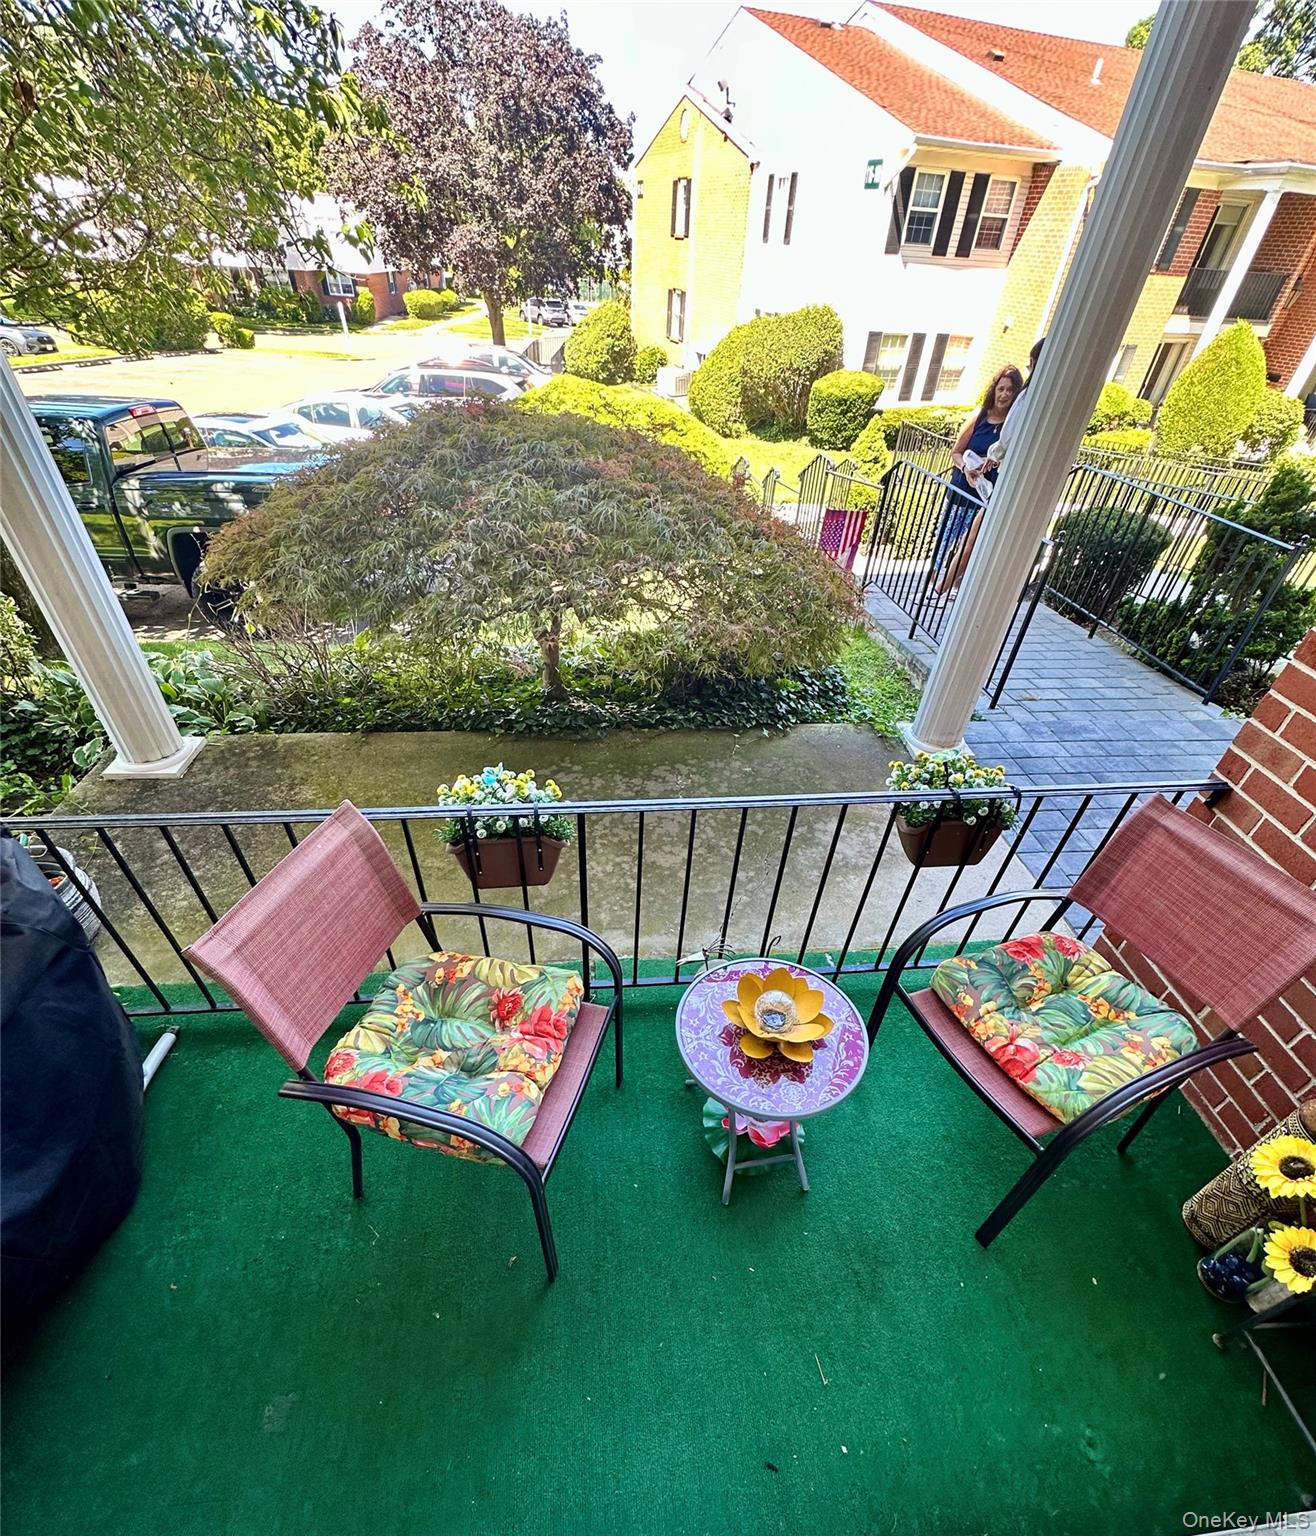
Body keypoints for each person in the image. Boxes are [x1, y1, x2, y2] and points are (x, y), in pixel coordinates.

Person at [933, 364, 1024, 596]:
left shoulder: (1014, 426)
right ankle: (932, 583)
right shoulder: (980, 416)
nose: (1004, 394)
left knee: (971, 544)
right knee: (946, 538)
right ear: (994, 390)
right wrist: (966, 467)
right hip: (962, 489)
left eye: (1010, 390)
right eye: (1001, 389)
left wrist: (993, 461)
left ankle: (954, 586)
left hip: (986, 494)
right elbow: (956, 452)